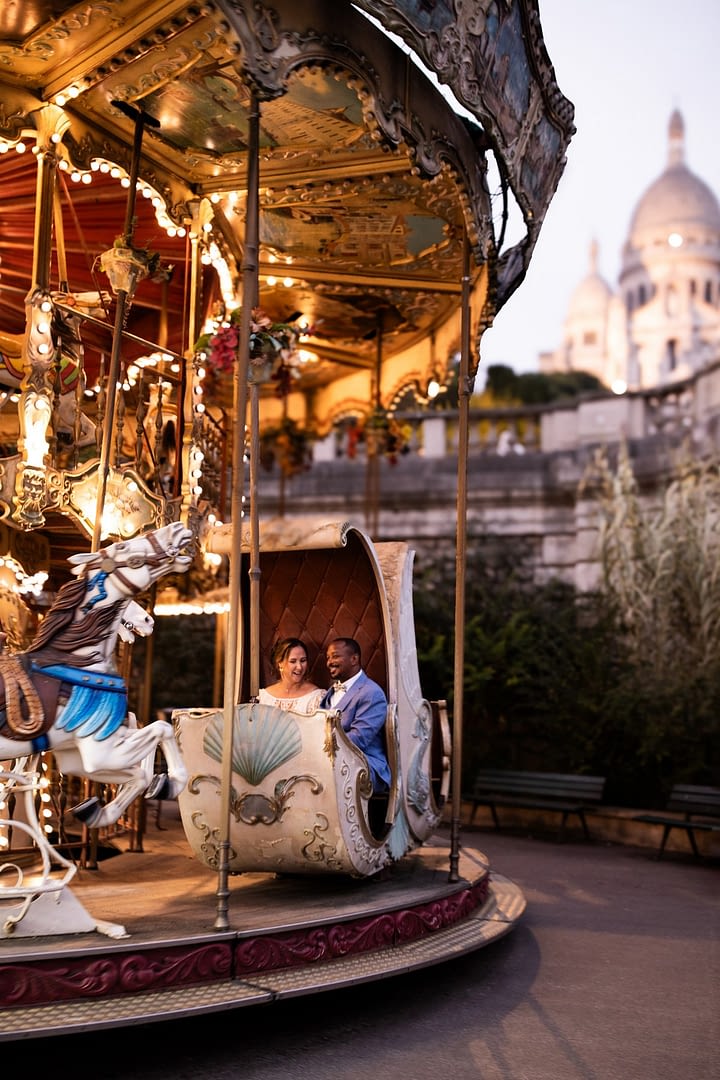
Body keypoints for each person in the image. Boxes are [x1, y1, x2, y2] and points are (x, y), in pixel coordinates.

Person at [320, 637, 391, 793]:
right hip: (333, 760)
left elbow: (359, 739)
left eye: (335, 656)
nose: (329, 662)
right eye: (328, 657)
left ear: (354, 659)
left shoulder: (371, 693)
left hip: (366, 765)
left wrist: (320, 750)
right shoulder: (331, 692)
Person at [258, 637, 325, 714]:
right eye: (293, 661)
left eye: (303, 660)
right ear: (280, 663)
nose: (299, 667)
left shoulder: (317, 697)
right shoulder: (263, 698)